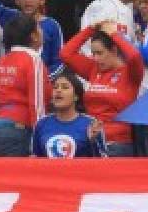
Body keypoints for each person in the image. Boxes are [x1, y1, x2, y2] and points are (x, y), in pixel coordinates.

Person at [60, 22, 143, 157]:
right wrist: (91, 29)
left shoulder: (130, 73)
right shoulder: (94, 69)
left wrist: (114, 34)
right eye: (93, 53)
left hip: (117, 145)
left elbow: (135, 56)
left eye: (100, 53)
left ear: (114, 51)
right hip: (90, 140)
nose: (96, 58)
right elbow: (66, 54)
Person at [0, 15, 51, 157]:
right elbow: (37, 106)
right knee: (16, 178)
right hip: (19, 129)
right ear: (34, 35)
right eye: (39, 28)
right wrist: (40, 142)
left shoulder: (2, 61)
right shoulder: (33, 60)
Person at [31, 73, 107, 158]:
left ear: (76, 96)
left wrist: (93, 141)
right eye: (55, 87)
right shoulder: (41, 124)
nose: (58, 90)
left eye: (65, 87)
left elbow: (102, 163)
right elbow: (35, 159)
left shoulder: (91, 124)